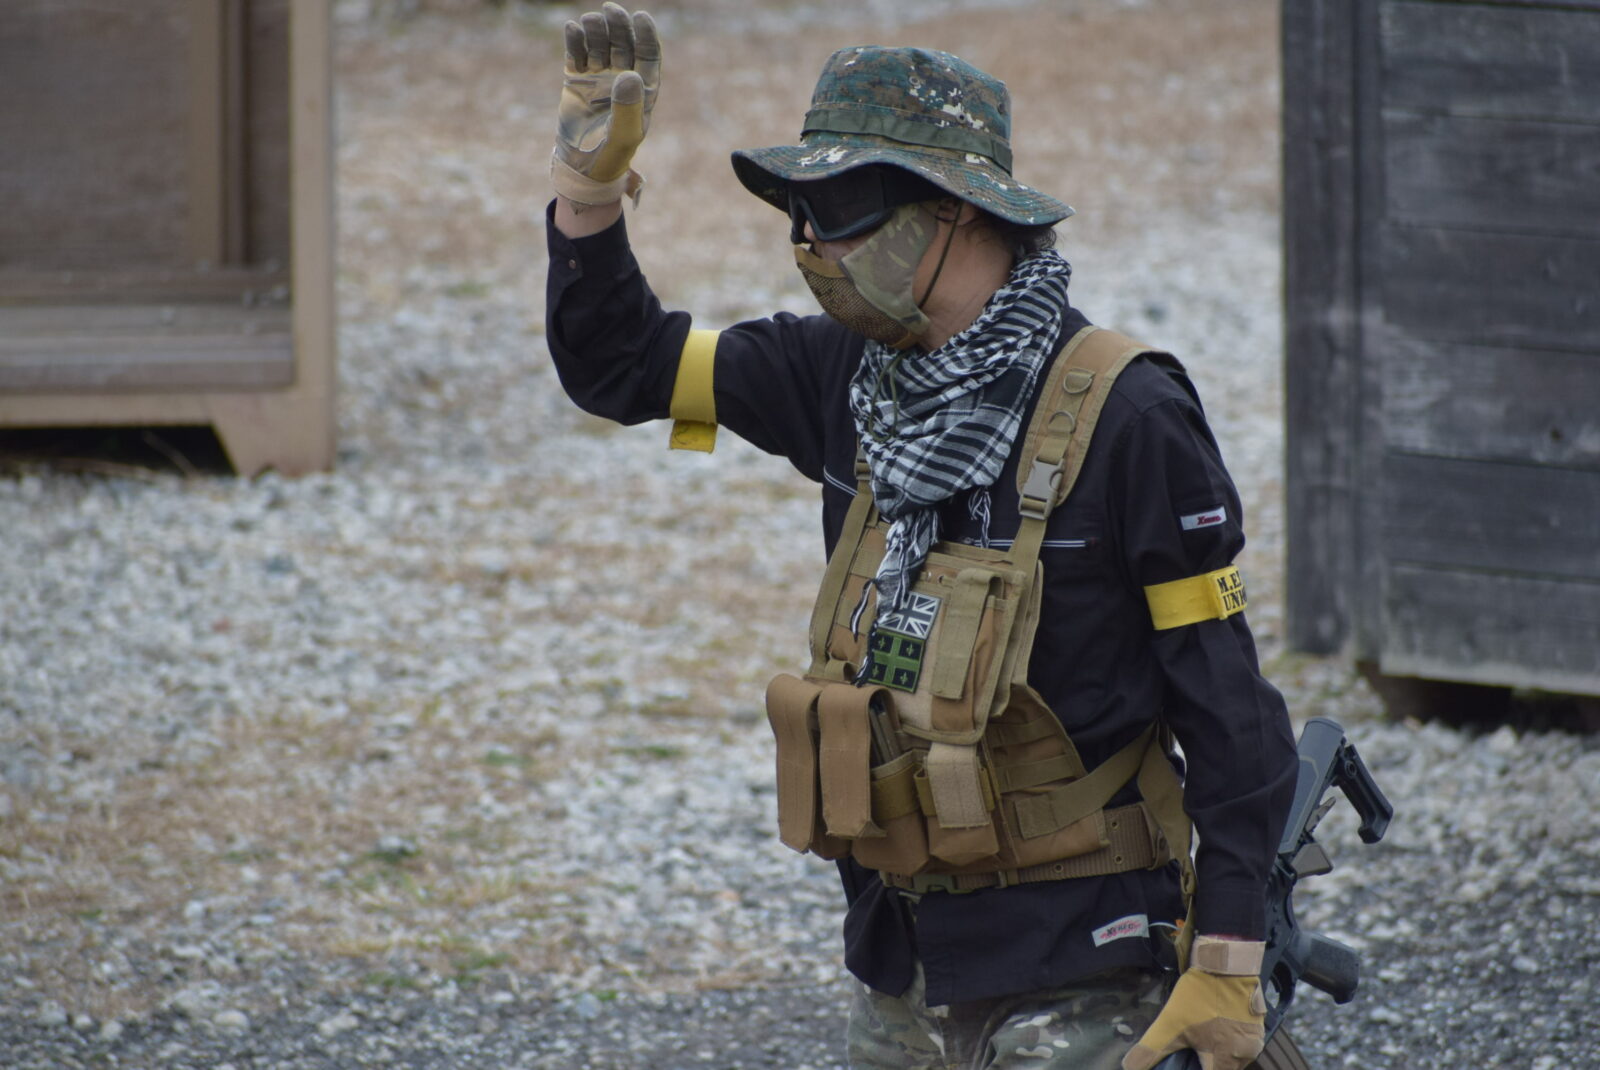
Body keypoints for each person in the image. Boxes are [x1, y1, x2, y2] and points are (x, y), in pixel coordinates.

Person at [544, 6, 1298, 1069]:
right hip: (902, 961)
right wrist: (587, 196)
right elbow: (622, 364)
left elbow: (1228, 709)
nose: (812, 242)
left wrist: (1225, 954)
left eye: (842, 206)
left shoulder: (1128, 418)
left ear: (957, 210)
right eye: (798, 211)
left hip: (1082, 955)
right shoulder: (845, 376)